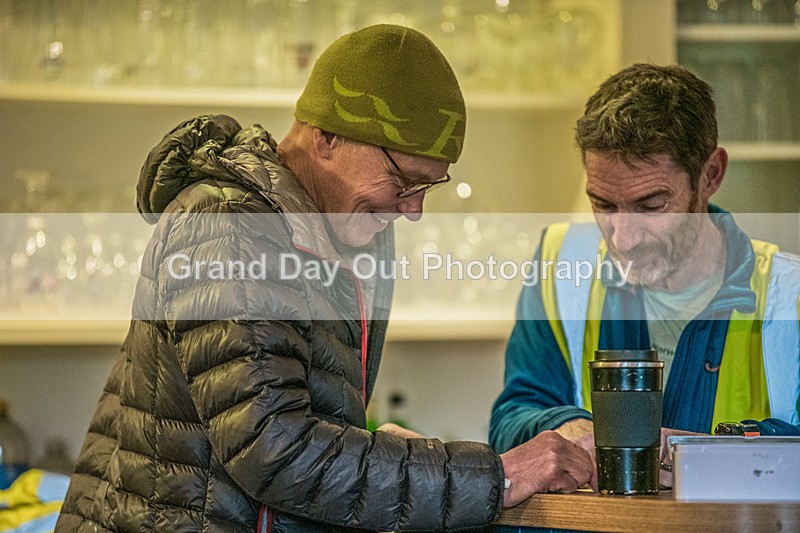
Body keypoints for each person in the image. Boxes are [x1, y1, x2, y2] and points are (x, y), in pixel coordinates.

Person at [56, 25, 595, 533]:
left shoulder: (336, 227)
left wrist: (385, 448)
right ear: (325, 139)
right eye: (404, 181)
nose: (413, 212)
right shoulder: (233, 227)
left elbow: (294, 422)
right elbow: (275, 449)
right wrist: (496, 477)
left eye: (429, 187)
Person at [489, 63, 800, 477]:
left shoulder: (789, 293)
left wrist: (699, 452)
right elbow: (512, 416)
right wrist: (567, 428)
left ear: (711, 175)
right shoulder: (561, 264)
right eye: (602, 204)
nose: (623, 239)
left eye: (651, 206)